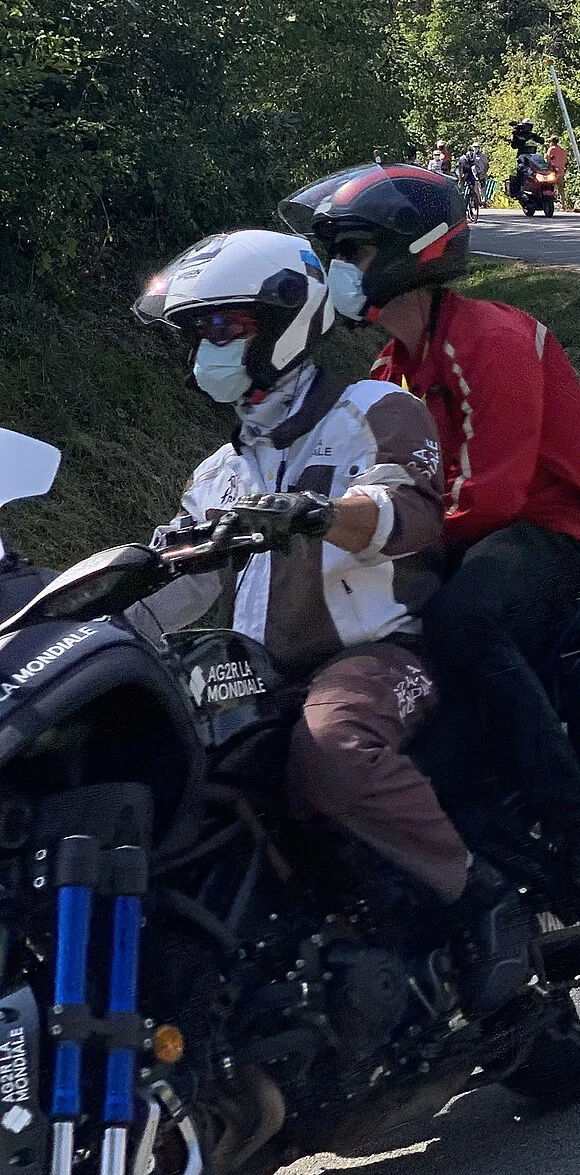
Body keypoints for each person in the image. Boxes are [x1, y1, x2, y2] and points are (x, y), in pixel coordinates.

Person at [132, 226, 531, 1011]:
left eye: (224, 327)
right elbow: (175, 588)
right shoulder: (221, 472)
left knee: (334, 747)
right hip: (261, 674)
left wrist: (321, 513)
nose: (207, 348)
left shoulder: (374, 411)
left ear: (283, 322)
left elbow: (410, 512)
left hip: (381, 655)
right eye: (200, 331)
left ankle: (482, 901)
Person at [300, 164, 580, 902]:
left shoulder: (491, 338)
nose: (338, 271)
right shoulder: (388, 370)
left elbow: (494, 491)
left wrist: (390, 541)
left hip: (546, 528)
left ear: (410, 253)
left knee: (462, 618)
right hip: (465, 535)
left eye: (353, 252)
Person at [456, 141, 487, 213]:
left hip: (469, 171)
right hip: (462, 170)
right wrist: (460, 177)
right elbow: (458, 169)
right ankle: (460, 200)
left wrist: (479, 174)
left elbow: (475, 167)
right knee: (461, 186)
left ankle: (472, 199)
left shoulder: (474, 158)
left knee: (473, 185)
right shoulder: (462, 159)